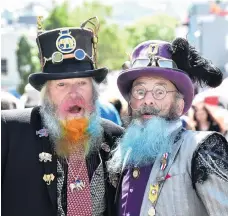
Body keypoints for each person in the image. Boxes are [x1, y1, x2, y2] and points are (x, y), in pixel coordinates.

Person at [1, 17, 123, 216]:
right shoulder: (9, 130)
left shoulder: (115, 138)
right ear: (47, 93)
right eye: (61, 85)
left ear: (94, 91)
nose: (73, 94)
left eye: (82, 83)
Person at [107, 38, 228, 216]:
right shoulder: (123, 153)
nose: (147, 100)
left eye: (160, 91)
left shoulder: (202, 149)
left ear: (179, 104)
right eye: (140, 91)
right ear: (131, 101)